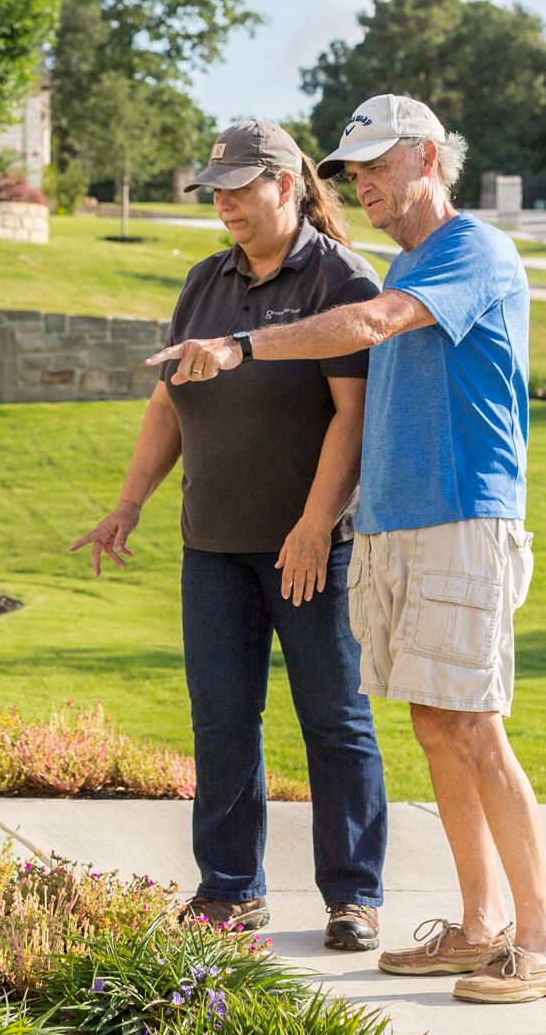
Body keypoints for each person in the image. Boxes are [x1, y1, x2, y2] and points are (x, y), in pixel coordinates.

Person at [148, 94, 546, 1005]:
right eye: (354, 171)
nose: (363, 186)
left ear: (427, 159)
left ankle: (543, 941)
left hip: (465, 517)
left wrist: (239, 348)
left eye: (379, 165)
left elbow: (370, 327)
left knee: (474, 726)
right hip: (403, 523)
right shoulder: (412, 258)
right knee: (435, 725)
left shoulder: (470, 252)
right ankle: (477, 928)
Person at [73, 119, 389, 952]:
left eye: (239, 189)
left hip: (312, 547)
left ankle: (353, 896)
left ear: (287, 185)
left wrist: (317, 525)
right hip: (211, 545)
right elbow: (168, 401)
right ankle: (229, 892)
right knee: (221, 720)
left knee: (335, 719)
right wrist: (129, 504)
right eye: (215, 191)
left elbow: (353, 420)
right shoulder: (204, 281)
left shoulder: (340, 279)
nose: (224, 205)